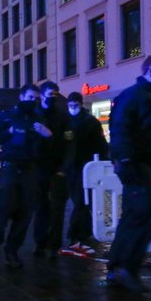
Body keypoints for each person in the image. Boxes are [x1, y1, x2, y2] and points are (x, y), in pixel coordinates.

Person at [105, 55, 151, 293]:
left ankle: (119, 268)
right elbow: (122, 129)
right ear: (150, 70)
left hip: (140, 163)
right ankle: (125, 268)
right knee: (147, 216)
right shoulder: (134, 96)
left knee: (134, 216)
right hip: (133, 164)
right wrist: (124, 160)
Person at [0, 84, 53, 268]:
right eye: (30, 97)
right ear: (22, 96)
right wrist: (8, 131)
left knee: (25, 213)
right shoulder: (7, 116)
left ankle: (12, 251)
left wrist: (47, 136)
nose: (34, 101)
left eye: (36, 98)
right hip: (10, 168)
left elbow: (45, 150)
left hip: (30, 170)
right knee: (4, 210)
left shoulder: (38, 119)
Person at [58, 92, 109, 258]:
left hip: (86, 166)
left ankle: (77, 233)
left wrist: (103, 161)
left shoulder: (90, 122)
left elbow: (101, 145)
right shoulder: (67, 121)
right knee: (81, 201)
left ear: (80, 104)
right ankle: (81, 232)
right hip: (73, 167)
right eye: (70, 106)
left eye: (75, 106)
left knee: (82, 201)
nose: (72, 109)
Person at [32, 81, 68, 258]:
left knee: (57, 208)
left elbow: (67, 143)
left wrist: (64, 167)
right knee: (41, 207)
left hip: (57, 168)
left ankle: (54, 245)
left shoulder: (62, 115)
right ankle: (40, 243)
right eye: (50, 94)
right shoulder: (34, 114)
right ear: (42, 95)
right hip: (38, 168)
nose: (53, 97)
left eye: (56, 94)